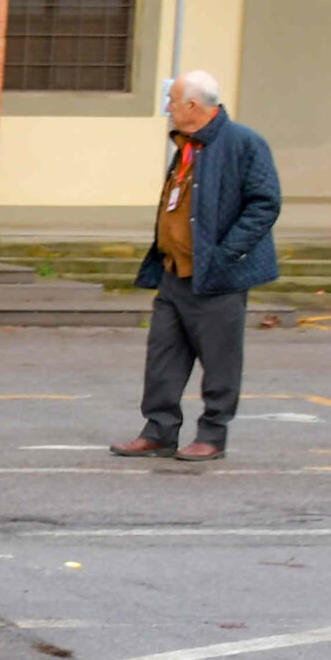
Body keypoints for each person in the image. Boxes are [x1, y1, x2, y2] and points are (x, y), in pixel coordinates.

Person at [112, 70, 280, 464]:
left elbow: (265, 204)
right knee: (163, 358)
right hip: (174, 274)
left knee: (220, 361)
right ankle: (159, 431)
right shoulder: (187, 146)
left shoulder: (244, 143)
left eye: (172, 101)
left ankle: (212, 434)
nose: (167, 109)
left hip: (218, 277)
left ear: (193, 106)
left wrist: (225, 255)